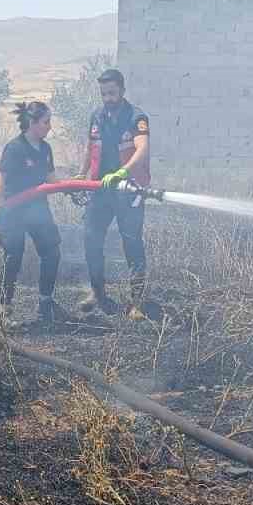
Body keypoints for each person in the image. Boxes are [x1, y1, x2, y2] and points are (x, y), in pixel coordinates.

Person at [78, 68, 151, 318]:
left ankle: (137, 302)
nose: (107, 98)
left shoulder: (136, 117)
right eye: (103, 93)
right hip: (100, 189)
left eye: (112, 93)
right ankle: (97, 293)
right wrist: (81, 173)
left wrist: (123, 172)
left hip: (128, 189)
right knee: (91, 239)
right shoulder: (97, 116)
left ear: (122, 90)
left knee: (132, 243)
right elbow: (91, 147)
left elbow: (142, 149)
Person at [0, 99, 67, 327]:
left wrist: (73, 187)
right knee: (13, 258)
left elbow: (51, 179)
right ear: (32, 123)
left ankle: (45, 304)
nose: (49, 127)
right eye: (46, 122)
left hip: (38, 209)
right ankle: (4, 309)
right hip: (13, 211)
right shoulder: (15, 148)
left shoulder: (45, 149)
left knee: (52, 252)